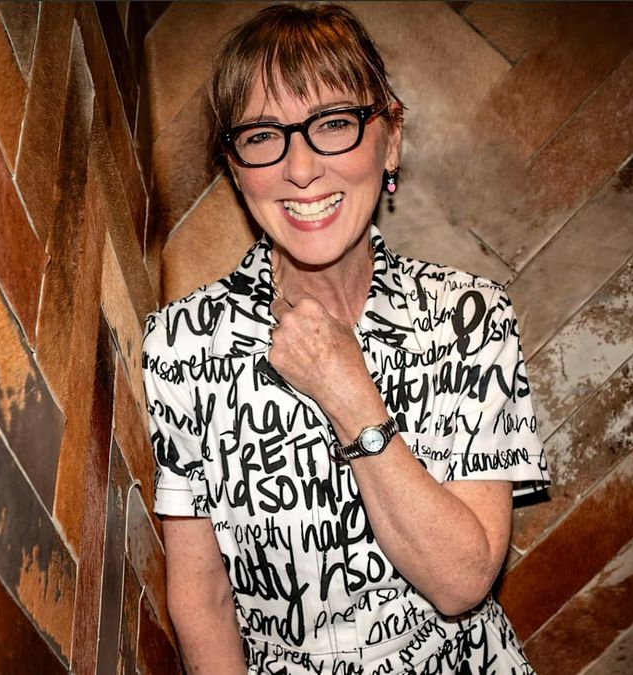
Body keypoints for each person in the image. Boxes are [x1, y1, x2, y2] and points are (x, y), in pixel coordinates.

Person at [142, 5, 550, 673]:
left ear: (390, 138)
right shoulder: (182, 345)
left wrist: (348, 392)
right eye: (263, 135)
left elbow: (462, 581)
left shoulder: (470, 319)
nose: (300, 168)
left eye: (334, 124)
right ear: (236, 168)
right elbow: (202, 598)